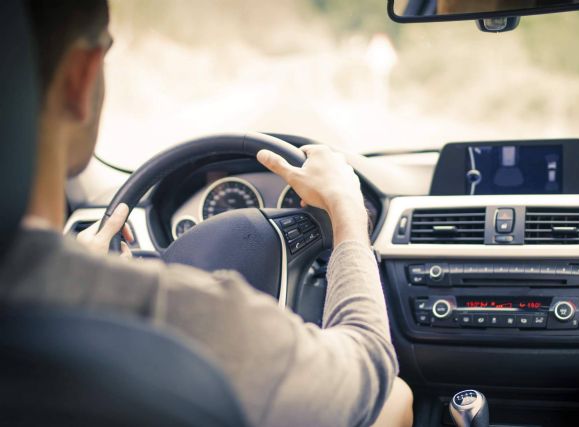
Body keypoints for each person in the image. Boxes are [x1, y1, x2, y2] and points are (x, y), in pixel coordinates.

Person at [0, 1, 413, 426]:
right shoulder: (198, 322)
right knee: (395, 398)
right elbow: (370, 364)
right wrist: (346, 211)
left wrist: (74, 262)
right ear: (80, 78)